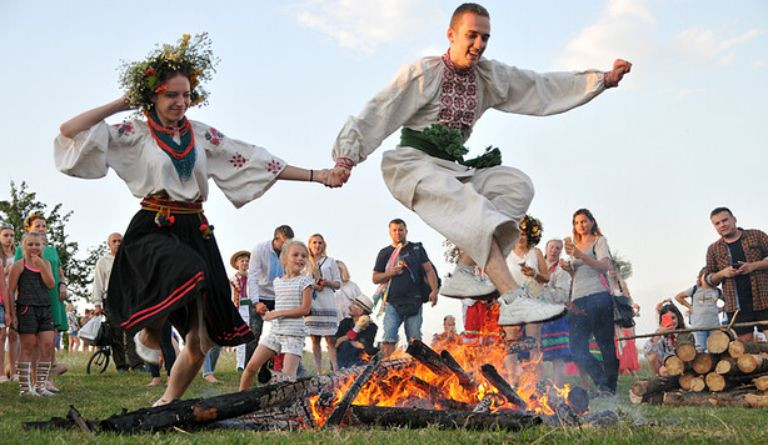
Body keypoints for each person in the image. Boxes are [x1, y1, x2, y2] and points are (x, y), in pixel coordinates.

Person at [55, 35, 334, 405]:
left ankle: (166, 403)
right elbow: (69, 131)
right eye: (171, 94)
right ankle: (151, 333)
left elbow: (256, 159)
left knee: (201, 341)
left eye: (186, 95)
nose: (181, 102)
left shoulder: (200, 135)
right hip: (153, 226)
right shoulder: (135, 133)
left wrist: (318, 175)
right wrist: (123, 103)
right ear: (152, 95)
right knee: (189, 269)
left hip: (196, 229)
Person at [326, 3, 631, 327]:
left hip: (453, 169)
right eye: (471, 36)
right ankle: (513, 299)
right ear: (451, 35)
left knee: (516, 186)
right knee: (472, 209)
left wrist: (602, 80)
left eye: (485, 38)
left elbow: (538, 86)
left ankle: (465, 270)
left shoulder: (488, 76)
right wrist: (347, 158)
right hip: (414, 166)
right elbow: (380, 110)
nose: (478, 44)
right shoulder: (423, 73)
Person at [240, 241, 313, 388]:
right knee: (250, 368)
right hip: (275, 333)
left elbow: (305, 309)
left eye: (304, 256)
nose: (300, 258)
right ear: (285, 258)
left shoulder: (305, 282)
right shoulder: (277, 282)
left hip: (293, 335)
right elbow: (280, 302)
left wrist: (277, 313)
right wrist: (267, 313)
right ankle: (239, 401)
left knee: (286, 379)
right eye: (296, 255)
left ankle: (285, 408)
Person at [561, 209, 619, 395]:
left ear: (592, 222)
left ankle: (609, 387)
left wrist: (581, 256)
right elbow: (577, 274)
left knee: (605, 344)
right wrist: (568, 268)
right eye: (577, 222)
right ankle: (602, 380)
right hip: (579, 300)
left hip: (598, 297)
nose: (581, 225)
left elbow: (604, 266)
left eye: (584, 221)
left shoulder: (599, 241)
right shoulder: (575, 246)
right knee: (576, 347)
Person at [15, 213, 68, 390]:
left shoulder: (51, 250)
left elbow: (59, 272)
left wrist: (63, 285)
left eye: (44, 226)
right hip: (31, 298)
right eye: (38, 226)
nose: (41, 229)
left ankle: (45, 380)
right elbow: (17, 276)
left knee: (49, 338)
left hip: (52, 295)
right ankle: (31, 379)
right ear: (29, 228)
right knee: (33, 341)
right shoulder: (21, 249)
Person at [373, 218, 438, 357]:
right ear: (390, 232)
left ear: (406, 231)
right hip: (392, 302)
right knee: (388, 337)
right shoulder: (385, 252)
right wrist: (390, 273)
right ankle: (386, 369)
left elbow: (429, 270)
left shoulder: (416, 249)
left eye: (400, 230)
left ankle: (418, 368)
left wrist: (434, 290)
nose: (398, 233)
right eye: (394, 230)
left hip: (414, 300)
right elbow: (375, 278)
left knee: (414, 340)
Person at [704, 207, 768, 342]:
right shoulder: (713, 249)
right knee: (746, 352)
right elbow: (708, 280)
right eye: (717, 223)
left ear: (734, 219)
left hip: (764, 299)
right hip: (736, 307)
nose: (722, 225)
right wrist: (722, 273)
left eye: (725, 220)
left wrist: (753, 266)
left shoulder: (757, 235)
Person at [5, 232, 56, 396]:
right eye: (30, 244)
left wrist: (41, 265)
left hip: (44, 308)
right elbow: (10, 291)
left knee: (47, 345)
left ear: (42, 246)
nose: (34, 247)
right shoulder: (19, 265)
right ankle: (25, 388)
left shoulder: (45, 263)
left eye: (37, 244)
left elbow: (50, 284)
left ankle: (41, 386)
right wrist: (11, 313)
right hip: (26, 308)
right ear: (24, 246)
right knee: (27, 347)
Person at [91, 232, 143, 372]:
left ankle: (137, 364)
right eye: (114, 241)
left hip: (129, 298)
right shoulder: (103, 262)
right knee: (116, 333)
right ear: (109, 244)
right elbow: (98, 283)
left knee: (133, 330)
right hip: (111, 299)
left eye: (120, 240)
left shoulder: (130, 260)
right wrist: (97, 304)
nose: (118, 243)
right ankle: (121, 365)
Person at [247, 225, 294, 368]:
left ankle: (276, 366)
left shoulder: (289, 253)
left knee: (284, 332)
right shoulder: (259, 250)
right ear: (276, 239)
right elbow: (253, 278)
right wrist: (256, 303)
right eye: (285, 243)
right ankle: (249, 367)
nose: (288, 246)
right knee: (254, 333)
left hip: (279, 296)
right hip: (260, 295)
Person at [539, 239, 573, 386]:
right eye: (552, 247)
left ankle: (557, 391)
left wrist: (544, 288)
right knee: (532, 354)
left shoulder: (562, 272)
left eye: (558, 248)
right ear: (546, 248)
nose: (554, 250)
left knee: (557, 357)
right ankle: (535, 389)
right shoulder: (535, 266)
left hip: (555, 318)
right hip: (535, 315)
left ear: (561, 252)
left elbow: (563, 296)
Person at [306, 234, 341, 374]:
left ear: (324, 245)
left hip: (327, 301)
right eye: (314, 242)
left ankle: (336, 369)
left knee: (330, 338)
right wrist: (314, 285)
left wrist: (326, 283)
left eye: (320, 243)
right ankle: (319, 371)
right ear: (309, 244)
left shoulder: (330, 261)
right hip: (312, 302)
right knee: (315, 339)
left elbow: (338, 283)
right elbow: (301, 281)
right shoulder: (305, 262)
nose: (317, 245)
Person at [675, 269, 722, 351]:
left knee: (715, 349)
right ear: (701, 277)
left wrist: (721, 309)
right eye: (705, 276)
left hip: (714, 325)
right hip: (699, 326)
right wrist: (689, 306)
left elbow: (727, 301)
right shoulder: (695, 289)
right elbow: (678, 297)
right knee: (701, 349)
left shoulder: (716, 291)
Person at [643, 300, 692, 376]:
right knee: (651, 357)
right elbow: (647, 352)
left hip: (684, 365)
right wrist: (659, 334)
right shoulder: (660, 335)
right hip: (666, 367)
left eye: (673, 318)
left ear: (678, 318)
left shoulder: (686, 332)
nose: (671, 322)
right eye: (667, 319)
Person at [334, 294, 378, 369]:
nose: (349, 307)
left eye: (353, 305)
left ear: (361, 311)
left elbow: (362, 346)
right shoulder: (345, 322)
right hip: (341, 360)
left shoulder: (371, 327)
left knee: (347, 345)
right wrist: (356, 329)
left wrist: (344, 339)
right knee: (346, 345)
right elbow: (335, 343)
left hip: (359, 362)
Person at [0, 224, 17, 382]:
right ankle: (1, 372)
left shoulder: (17, 255)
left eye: (11, 235)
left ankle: (13, 370)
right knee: (1, 335)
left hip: (15, 297)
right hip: (1, 297)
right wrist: (5, 271)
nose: (9, 238)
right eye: (6, 235)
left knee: (13, 334)